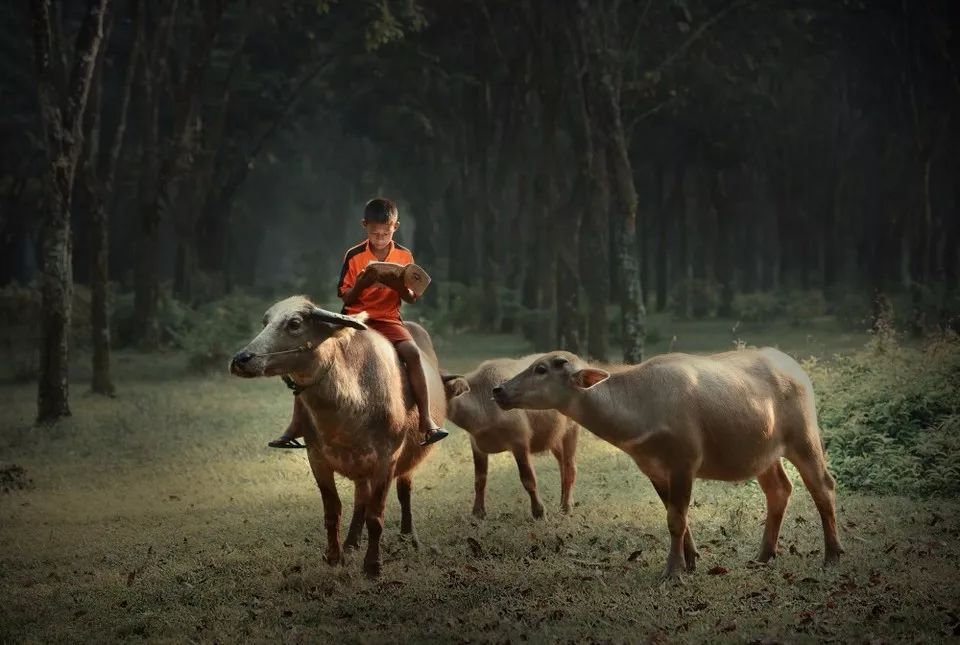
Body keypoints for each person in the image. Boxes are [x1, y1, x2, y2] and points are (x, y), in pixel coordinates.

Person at [268, 198, 448, 448]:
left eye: (386, 233)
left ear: (396, 226)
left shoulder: (405, 255)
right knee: (313, 356)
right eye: (375, 233)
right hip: (356, 319)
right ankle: (296, 425)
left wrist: (398, 285)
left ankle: (427, 421)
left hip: (388, 319)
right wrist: (362, 283)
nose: (380, 237)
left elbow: (412, 297)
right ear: (364, 226)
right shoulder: (354, 256)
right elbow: (345, 296)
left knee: (413, 354)